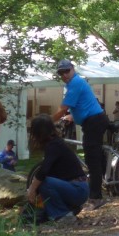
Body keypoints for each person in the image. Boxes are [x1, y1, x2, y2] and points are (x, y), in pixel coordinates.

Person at [52, 59, 108, 206]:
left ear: (73, 69)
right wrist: (72, 117)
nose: (64, 75)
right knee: (97, 157)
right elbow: (81, 106)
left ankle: (96, 198)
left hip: (94, 123)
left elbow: (62, 109)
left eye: (66, 71)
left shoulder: (75, 84)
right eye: (61, 73)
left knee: (92, 160)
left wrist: (48, 121)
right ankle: (107, 185)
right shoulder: (75, 84)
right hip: (94, 121)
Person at [25, 114, 88, 226]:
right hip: (76, 188)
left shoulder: (54, 146)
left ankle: (63, 215)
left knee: (45, 182)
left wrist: (32, 189)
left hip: (78, 189)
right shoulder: (55, 143)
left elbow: (43, 171)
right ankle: (68, 209)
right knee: (45, 184)